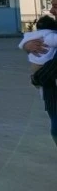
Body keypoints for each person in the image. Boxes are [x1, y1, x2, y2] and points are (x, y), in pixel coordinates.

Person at [19, 13, 57, 146]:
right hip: (48, 82)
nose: (51, 10)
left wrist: (36, 79)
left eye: (55, 6)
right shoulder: (50, 35)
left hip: (42, 72)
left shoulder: (37, 35)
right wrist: (27, 46)